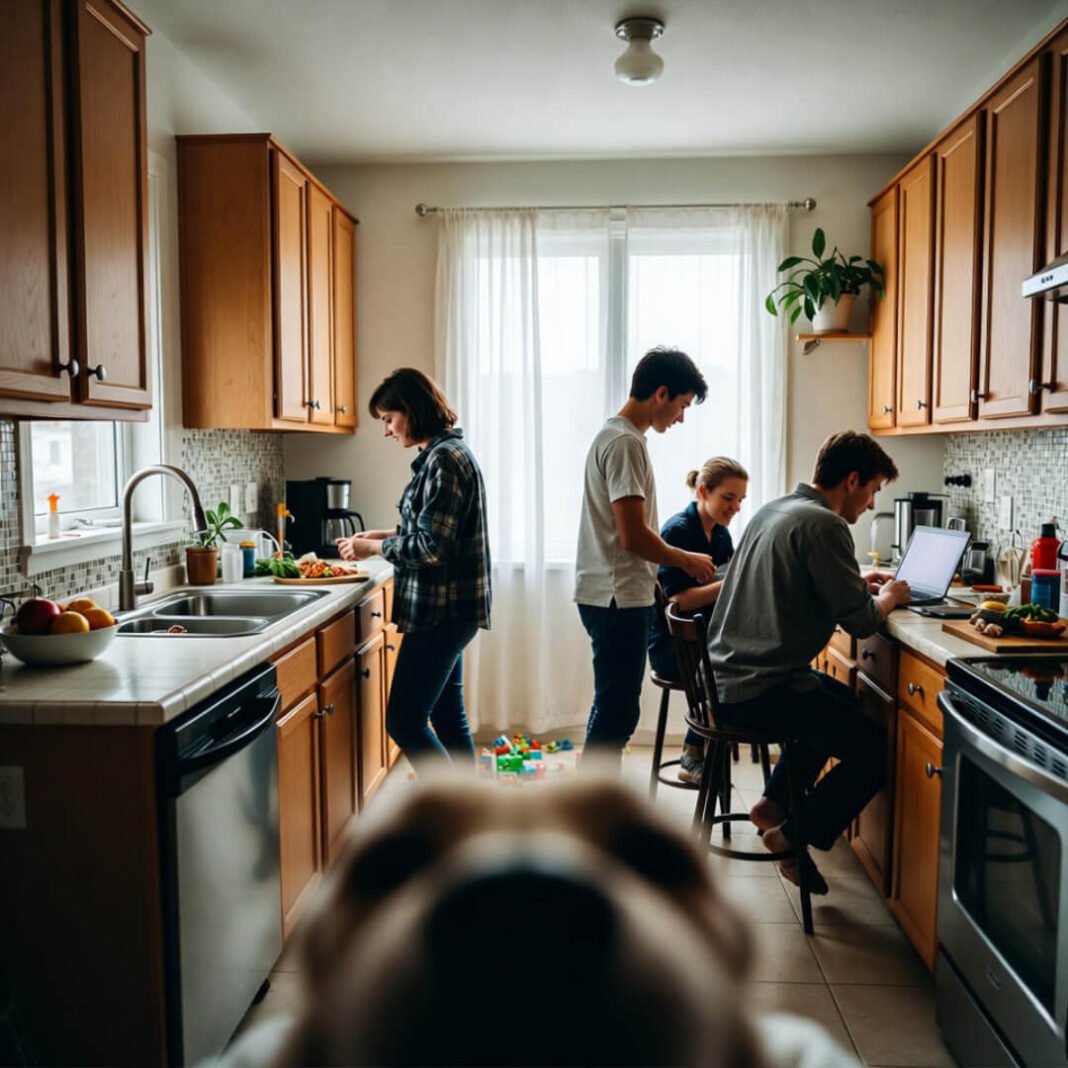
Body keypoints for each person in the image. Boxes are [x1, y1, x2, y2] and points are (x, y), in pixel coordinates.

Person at [706, 430, 910, 891]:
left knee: (841, 702)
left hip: (727, 679)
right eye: (873, 489)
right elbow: (862, 622)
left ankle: (773, 804)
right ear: (852, 480)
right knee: (876, 749)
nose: (872, 503)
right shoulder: (826, 526)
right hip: (758, 690)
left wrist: (856, 583)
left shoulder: (776, 509)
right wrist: (891, 597)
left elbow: (799, 578)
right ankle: (790, 834)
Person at [336, 368, 491, 771]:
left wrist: (373, 547)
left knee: (404, 722)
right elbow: (436, 530)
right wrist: (384, 534)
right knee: (446, 715)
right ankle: (470, 804)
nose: (386, 430)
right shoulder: (445, 453)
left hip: (442, 612)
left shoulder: (444, 460)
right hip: (450, 610)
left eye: (389, 419)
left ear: (412, 409)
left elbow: (431, 547)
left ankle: (448, 803)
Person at [574, 346, 717, 762]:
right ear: (661, 394)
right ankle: (596, 799)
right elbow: (633, 535)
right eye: (682, 405)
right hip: (616, 597)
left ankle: (593, 795)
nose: (681, 417)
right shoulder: (625, 443)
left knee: (610, 706)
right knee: (618, 713)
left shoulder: (617, 436)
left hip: (609, 593)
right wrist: (686, 559)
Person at [647, 457, 749, 784]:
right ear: (703, 491)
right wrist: (730, 582)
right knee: (730, 668)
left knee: (744, 661)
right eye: (728, 498)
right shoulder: (678, 531)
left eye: (740, 500)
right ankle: (694, 752)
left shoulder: (721, 535)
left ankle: (712, 744)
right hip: (673, 648)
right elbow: (677, 601)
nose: (736, 507)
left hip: (706, 644)